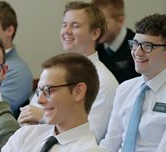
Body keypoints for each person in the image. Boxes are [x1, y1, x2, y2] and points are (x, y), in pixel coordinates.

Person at [18, 1, 118, 143]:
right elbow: (30, 112)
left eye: (75, 26)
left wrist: (44, 117)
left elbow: (92, 135)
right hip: (32, 142)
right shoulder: (53, 71)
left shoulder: (105, 82)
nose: (66, 31)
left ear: (95, 33)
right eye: (64, 25)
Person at [99, 13, 166, 152]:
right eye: (135, 43)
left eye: (147, 46)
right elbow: (109, 145)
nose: (137, 52)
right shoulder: (126, 88)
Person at [92, 0, 141, 84]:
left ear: (120, 21)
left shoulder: (138, 47)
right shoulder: (94, 47)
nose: (97, 29)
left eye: (103, 23)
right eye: (93, 23)